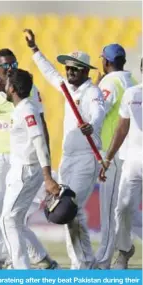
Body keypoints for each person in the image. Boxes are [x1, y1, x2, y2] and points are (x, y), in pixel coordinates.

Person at [24, 29, 105, 269]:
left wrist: (93, 125)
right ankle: (81, 262)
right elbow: (50, 73)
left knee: (71, 208)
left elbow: (99, 111)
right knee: (70, 211)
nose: (69, 72)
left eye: (75, 69)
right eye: (68, 68)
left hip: (85, 158)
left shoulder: (92, 92)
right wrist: (34, 50)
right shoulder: (68, 88)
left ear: (85, 71)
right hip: (67, 159)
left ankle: (83, 264)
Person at [0, 48, 51, 266]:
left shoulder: (26, 89)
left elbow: (40, 127)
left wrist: (47, 164)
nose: (10, 69)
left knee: (14, 215)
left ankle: (32, 258)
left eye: (13, 65)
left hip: (23, 159)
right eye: (5, 66)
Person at [0, 68, 60, 269]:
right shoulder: (22, 108)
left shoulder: (27, 109)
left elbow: (39, 142)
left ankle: (20, 270)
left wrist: (48, 177)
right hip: (21, 169)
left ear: (13, 88)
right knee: (13, 220)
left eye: (7, 84)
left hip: (27, 170)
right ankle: (38, 261)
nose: (4, 87)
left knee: (8, 220)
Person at [95, 44, 139, 269]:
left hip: (113, 152)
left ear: (106, 62)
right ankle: (124, 249)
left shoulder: (110, 82)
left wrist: (93, 88)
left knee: (112, 209)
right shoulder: (130, 82)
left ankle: (103, 260)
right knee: (125, 209)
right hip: (126, 152)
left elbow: (96, 111)